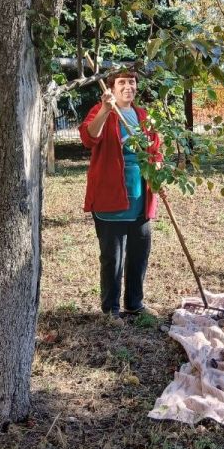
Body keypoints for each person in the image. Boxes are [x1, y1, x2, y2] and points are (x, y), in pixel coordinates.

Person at [79, 68, 163, 319]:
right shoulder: (102, 111)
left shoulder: (143, 115)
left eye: (132, 82)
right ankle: (111, 310)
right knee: (112, 257)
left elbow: (155, 148)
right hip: (110, 194)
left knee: (139, 252)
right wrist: (105, 110)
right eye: (122, 82)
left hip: (140, 194)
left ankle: (135, 304)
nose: (128, 86)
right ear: (112, 88)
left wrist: (158, 167)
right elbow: (89, 138)